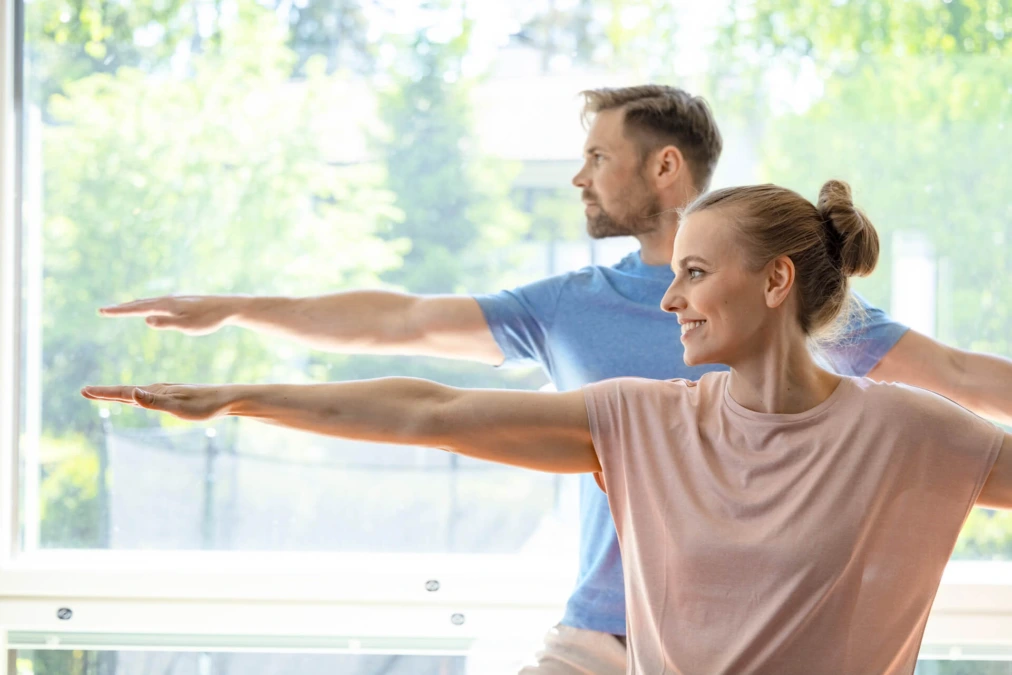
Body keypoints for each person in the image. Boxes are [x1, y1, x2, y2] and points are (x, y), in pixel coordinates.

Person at [96, 86, 1012, 673]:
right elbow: (429, 392)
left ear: (777, 284)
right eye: (676, 273)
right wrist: (238, 369)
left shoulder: (894, 413)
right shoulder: (628, 396)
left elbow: (966, 376)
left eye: (696, 277)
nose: (673, 301)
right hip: (605, 631)